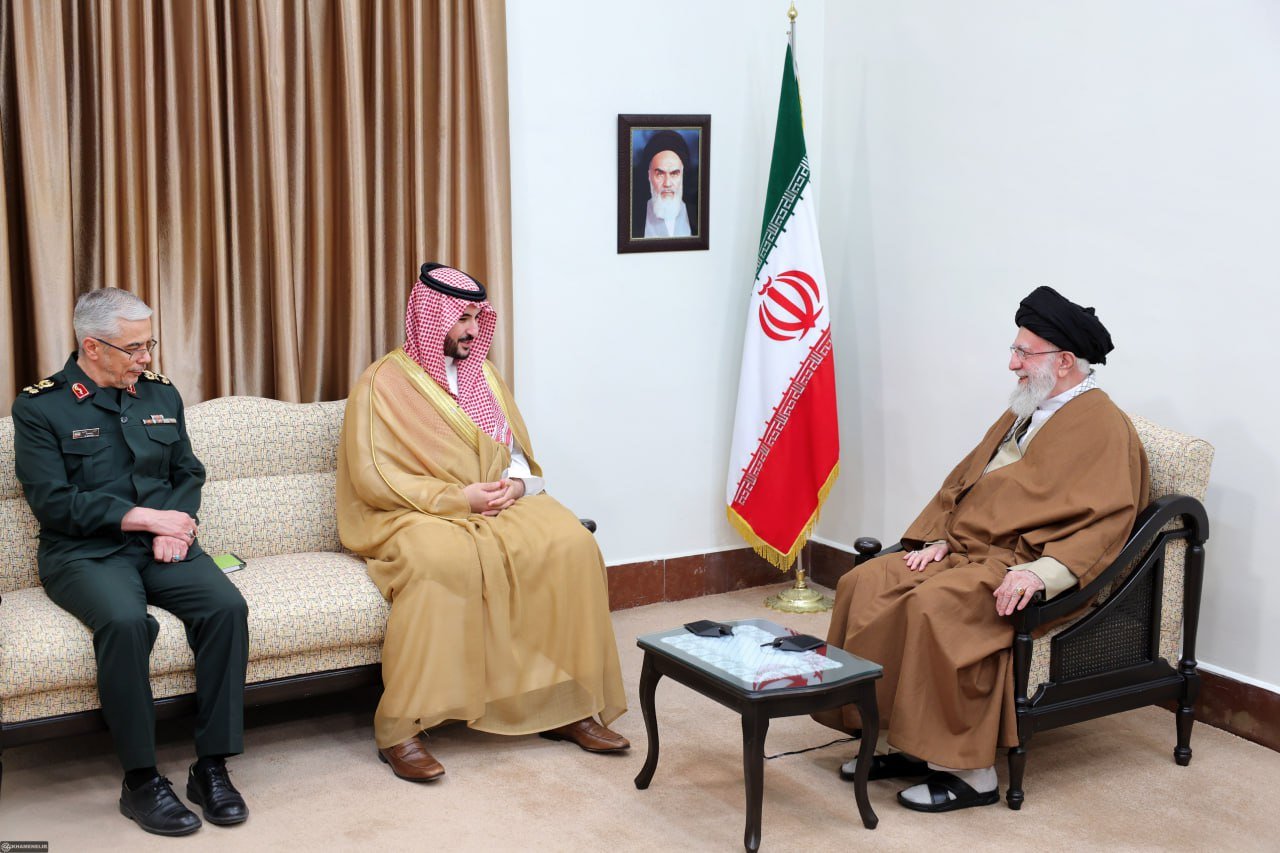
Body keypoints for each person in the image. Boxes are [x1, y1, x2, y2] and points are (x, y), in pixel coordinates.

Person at [816, 286, 1149, 813]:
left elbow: (1107, 519)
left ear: (1064, 361)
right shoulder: (1030, 407)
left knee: (935, 607)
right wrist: (938, 538)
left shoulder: (1104, 425)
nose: (1013, 363)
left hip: (1021, 564)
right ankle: (900, 741)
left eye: (1024, 353)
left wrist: (1043, 573)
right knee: (865, 583)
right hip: (966, 549)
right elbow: (969, 480)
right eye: (1015, 350)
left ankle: (969, 773)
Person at [337, 262, 628, 782]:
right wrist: (458, 499)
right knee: (441, 561)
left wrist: (516, 485)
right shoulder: (382, 383)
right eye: (461, 318)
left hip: (494, 500)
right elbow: (374, 476)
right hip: (413, 510)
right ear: (430, 315)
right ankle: (403, 727)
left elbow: (513, 454)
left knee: (571, 544)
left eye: (477, 317)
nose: (473, 329)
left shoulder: (484, 375)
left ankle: (564, 701)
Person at [11, 288, 249, 836]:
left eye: (149, 345)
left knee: (225, 608)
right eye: (134, 348)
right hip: (83, 552)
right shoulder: (40, 407)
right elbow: (53, 502)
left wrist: (176, 524)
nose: (145, 358)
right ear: (92, 347)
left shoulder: (159, 395)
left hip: (161, 545)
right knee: (124, 622)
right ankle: (141, 781)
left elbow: (187, 472)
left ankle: (212, 767)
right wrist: (147, 519)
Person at [633, 129, 697, 238]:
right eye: (660, 174)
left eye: (674, 174)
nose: (667, 183)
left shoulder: (697, 216)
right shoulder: (632, 219)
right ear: (649, 176)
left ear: (683, 175)